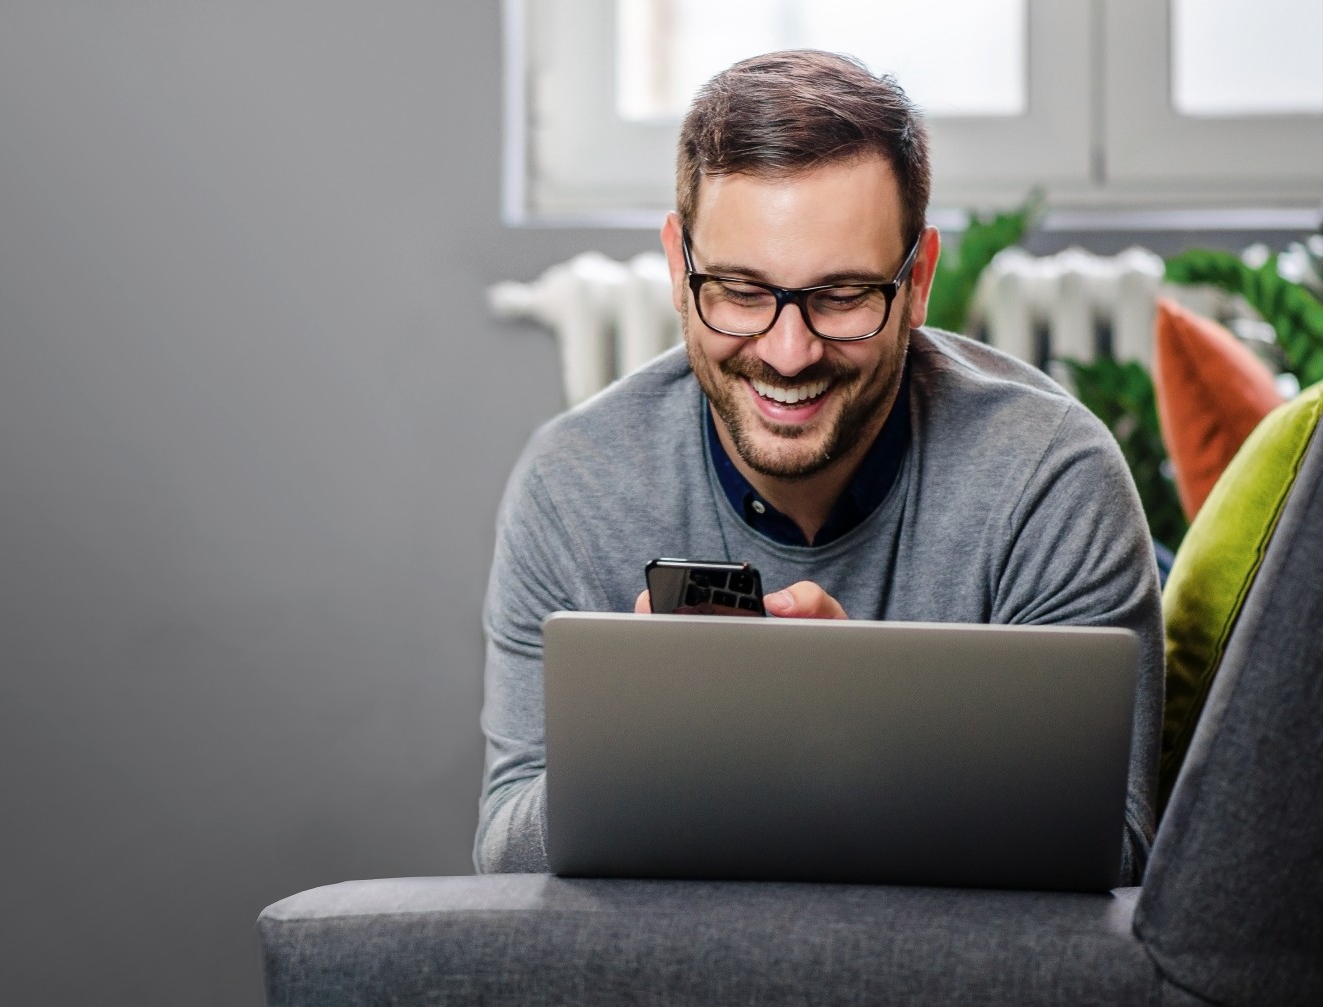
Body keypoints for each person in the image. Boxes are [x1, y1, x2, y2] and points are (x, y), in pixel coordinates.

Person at [474, 50, 1162, 883]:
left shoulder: (1052, 480)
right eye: (738, 290)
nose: (789, 352)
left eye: (841, 297)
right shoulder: (574, 483)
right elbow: (505, 861)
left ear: (918, 283)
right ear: (676, 265)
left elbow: (1115, 858)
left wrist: (863, 723)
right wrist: (655, 743)